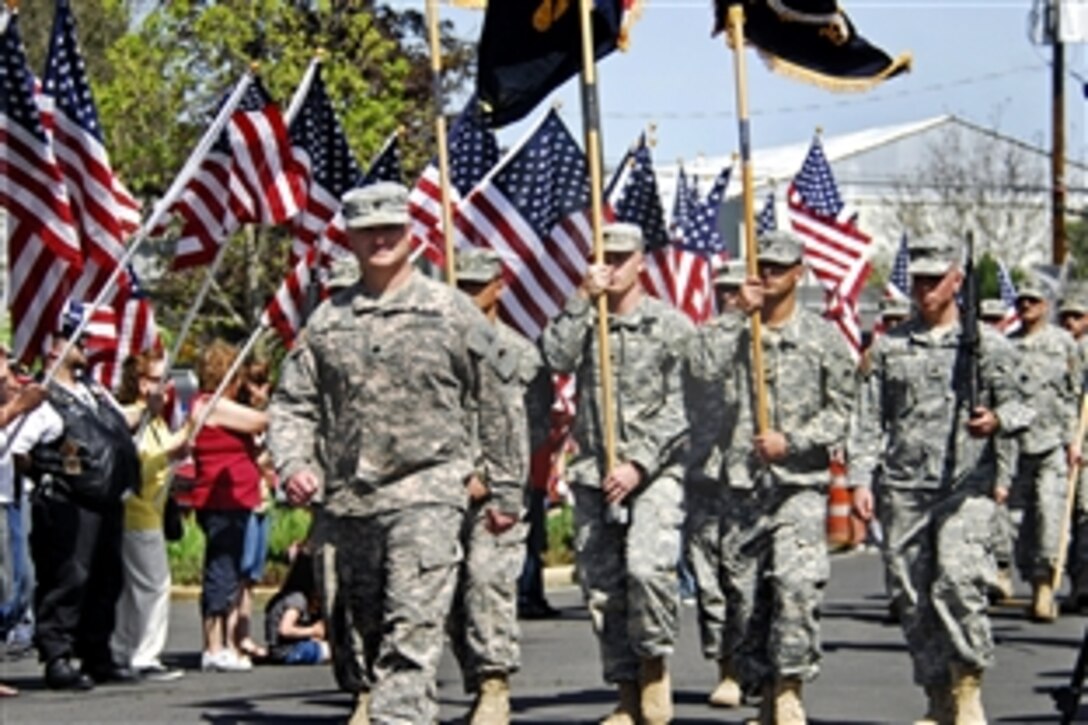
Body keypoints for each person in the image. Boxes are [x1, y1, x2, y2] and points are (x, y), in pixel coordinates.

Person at [269, 182, 526, 724]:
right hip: (350, 503)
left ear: (411, 235)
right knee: (364, 631)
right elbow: (292, 403)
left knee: (412, 630)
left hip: (429, 494)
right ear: (351, 239)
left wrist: (504, 488)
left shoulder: (452, 312)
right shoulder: (328, 322)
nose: (380, 239)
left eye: (391, 228)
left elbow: (500, 397)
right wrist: (294, 464)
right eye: (368, 230)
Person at [850, 236, 1031, 725]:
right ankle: (938, 696)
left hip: (966, 488)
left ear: (957, 282)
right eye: (919, 280)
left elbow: (1025, 405)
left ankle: (968, 686)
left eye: (935, 280)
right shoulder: (890, 348)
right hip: (905, 490)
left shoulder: (987, 347)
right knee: (912, 597)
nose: (925, 290)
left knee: (957, 580)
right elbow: (868, 421)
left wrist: (996, 419)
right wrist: (861, 480)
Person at [541, 222, 692, 725]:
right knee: (604, 590)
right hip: (594, 471)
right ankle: (626, 694)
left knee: (647, 569)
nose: (610, 266)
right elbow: (554, 357)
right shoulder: (587, 319)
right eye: (600, 257)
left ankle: (653, 665)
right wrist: (582, 300)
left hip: (654, 471)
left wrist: (640, 462)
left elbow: (687, 405)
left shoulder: (671, 326)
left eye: (620, 257)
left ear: (641, 262)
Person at [709, 231, 855, 725]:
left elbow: (843, 412)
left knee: (796, 585)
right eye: (762, 265)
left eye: (778, 267)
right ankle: (765, 691)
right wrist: (735, 315)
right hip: (741, 487)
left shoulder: (822, 339)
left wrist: (791, 440)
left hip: (797, 487)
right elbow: (696, 368)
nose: (768, 274)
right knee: (746, 600)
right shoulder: (733, 331)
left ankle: (791, 689)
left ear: (799, 272)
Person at [11, 312, 141, 690]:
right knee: (69, 577)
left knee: (106, 578)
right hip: (69, 502)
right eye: (73, 337)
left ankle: (96, 652)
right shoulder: (45, 396)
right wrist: (51, 470)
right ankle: (58, 656)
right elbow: (19, 449)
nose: (84, 342)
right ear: (55, 347)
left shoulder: (95, 391)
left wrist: (148, 405)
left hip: (106, 499)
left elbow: (120, 425)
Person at [450, 247, 552, 723]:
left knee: (487, 583)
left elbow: (528, 429)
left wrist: (491, 479)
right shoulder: (440, 345)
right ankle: (473, 680)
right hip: (442, 485)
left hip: (497, 489)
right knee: (448, 599)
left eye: (477, 286)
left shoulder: (520, 355)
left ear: (499, 286)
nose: (468, 296)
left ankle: (495, 686)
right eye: (461, 286)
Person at [684, 258, 746, 709]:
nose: (730, 298)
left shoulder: (775, 342)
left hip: (758, 483)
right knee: (710, 582)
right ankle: (726, 667)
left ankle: (760, 667)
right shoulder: (703, 338)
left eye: (737, 290)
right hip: (707, 477)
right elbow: (702, 368)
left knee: (752, 583)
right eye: (722, 290)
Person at [190, 340, 269, 673]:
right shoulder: (209, 406)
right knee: (220, 571)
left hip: (240, 498)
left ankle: (224, 642)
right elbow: (259, 421)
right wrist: (264, 404)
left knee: (233, 571)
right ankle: (213, 646)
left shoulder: (223, 408)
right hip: (219, 500)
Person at [109, 351, 189, 682]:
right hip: (137, 513)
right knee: (154, 586)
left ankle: (124, 649)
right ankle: (145, 655)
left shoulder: (156, 420)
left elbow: (169, 451)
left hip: (152, 512)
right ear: (143, 384)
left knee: (135, 589)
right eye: (159, 379)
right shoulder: (135, 417)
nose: (167, 386)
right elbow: (136, 463)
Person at [1007, 272, 1080, 621]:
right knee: (1020, 522)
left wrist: (1074, 441)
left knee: (1051, 516)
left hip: (1053, 444)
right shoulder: (1007, 346)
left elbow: (1077, 395)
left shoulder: (1063, 344)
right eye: (1021, 301)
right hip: (1016, 446)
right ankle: (1028, 577)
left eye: (1032, 301)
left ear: (1046, 306)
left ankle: (1046, 587)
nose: (1025, 306)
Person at [235, 359, 274, 661]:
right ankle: (233, 637)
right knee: (239, 571)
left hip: (264, 502)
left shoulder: (262, 422)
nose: (262, 390)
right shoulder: (243, 420)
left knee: (252, 577)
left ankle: (244, 634)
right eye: (256, 383)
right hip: (244, 502)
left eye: (265, 384)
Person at [1059, 283, 1088, 611]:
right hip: (1069, 441)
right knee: (1072, 515)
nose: (1070, 322)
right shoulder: (1065, 349)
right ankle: (1077, 580)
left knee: (1085, 514)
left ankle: (1083, 582)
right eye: (1065, 316)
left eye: (1077, 316)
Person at [264, 543, 329, 666]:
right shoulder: (297, 600)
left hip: (293, 646)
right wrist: (312, 631)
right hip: (287, 651)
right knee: (332, 651)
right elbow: (285, 629)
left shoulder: (299, 598)